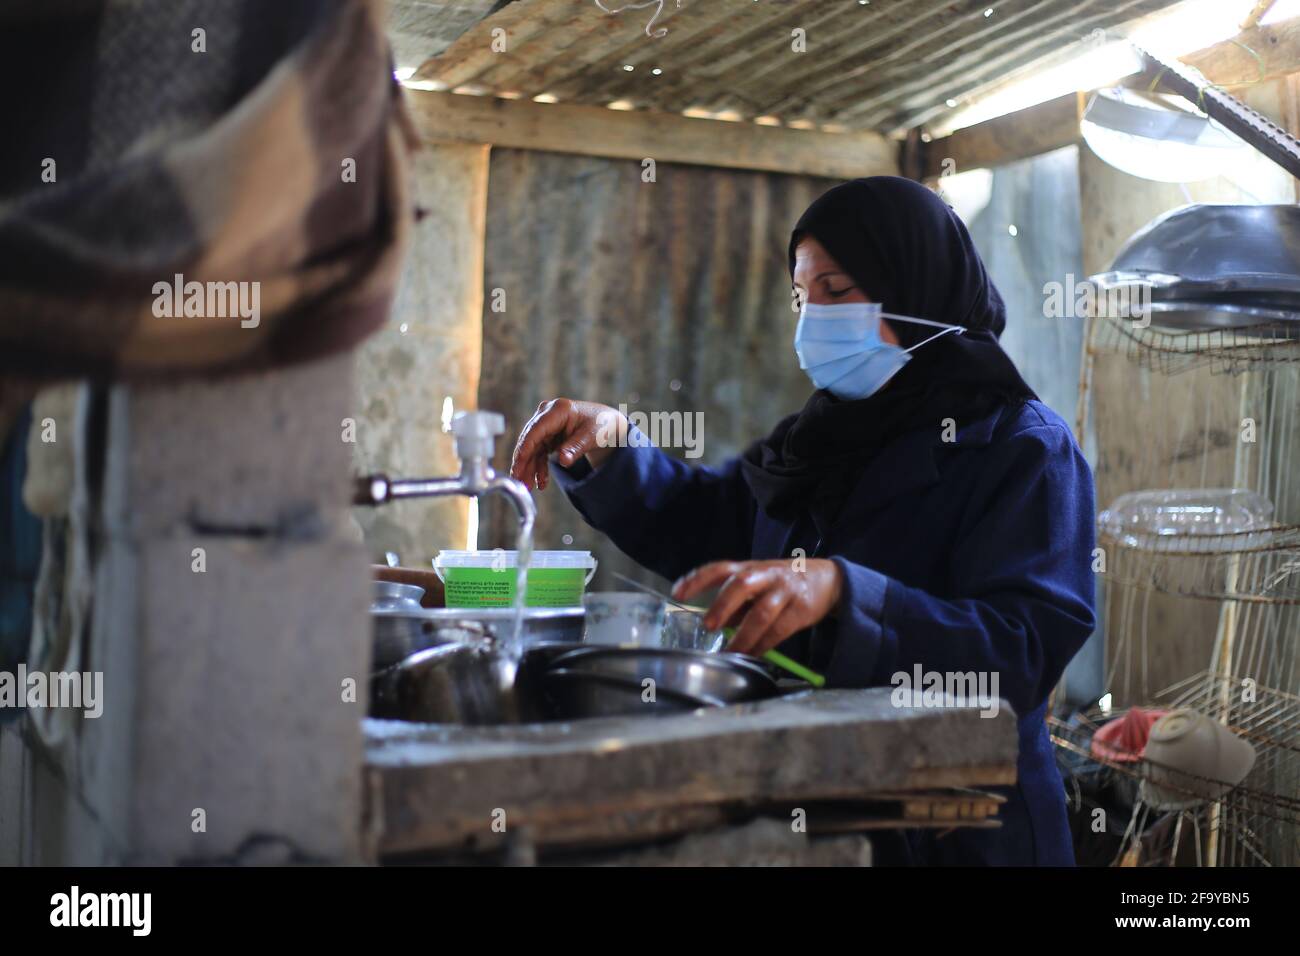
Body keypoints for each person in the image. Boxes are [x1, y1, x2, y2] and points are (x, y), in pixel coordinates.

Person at [510, 176, 1096, 866]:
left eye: (837, 291)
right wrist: (611, 449)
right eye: (801, 296)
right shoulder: (814, 441)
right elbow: (708, 523)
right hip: (826, 800)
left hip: (962, 831)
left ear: (915, 286)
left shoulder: (1025, 448)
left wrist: (848, 596)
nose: (811, 319)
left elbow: (1023, 650)